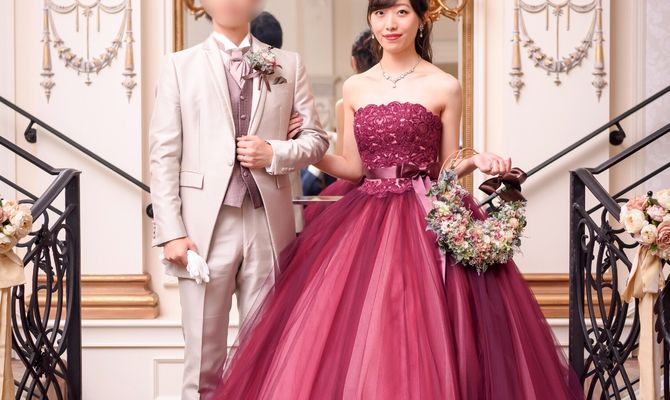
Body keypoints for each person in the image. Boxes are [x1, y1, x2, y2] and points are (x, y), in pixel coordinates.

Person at [207, 0, 584, 399]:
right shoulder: (355, 87)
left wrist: (475, 161)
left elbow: (444, 168)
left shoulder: (445, 85)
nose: (390, 23)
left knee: (430, 322)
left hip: (426, 216)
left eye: (402, 11)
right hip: (367, 217)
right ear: (371, 19)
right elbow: (352, 167)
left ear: (421, 19)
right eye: (381, 13)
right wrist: (302, 147)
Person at [148, 0, 329, 397]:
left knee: (266, 355)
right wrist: (171, 231)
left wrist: (274, 151)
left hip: (268, 225)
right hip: (204, 229)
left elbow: (316, 140)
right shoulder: (179, 66)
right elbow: (164, 156)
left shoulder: (287, 64)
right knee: (203, 361)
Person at [302, 29, 379, 224]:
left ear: (353, 62)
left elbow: (344, 168)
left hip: (359, 192)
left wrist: (305, 150)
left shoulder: (344, 104)